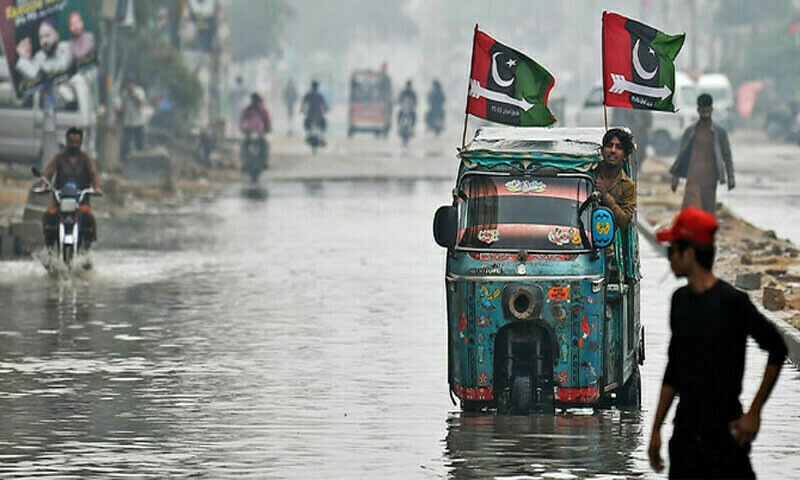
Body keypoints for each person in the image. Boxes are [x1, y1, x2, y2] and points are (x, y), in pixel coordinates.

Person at [648, 207, 787, 479]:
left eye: (672, 251)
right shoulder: (680, 302)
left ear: (689, 254)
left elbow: (777, 348)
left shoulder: (733, 303)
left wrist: (754, 413)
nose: (670, 259)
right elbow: (673, 369)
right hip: (685, 436)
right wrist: (655, 429)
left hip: (726, 434)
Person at [669, 94, 735, 217]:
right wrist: (675, 180)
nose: (706, 114)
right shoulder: (690, 132)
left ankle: (705, 235)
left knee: (708, 213)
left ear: (712, 110)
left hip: (710, 179)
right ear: (698, 111)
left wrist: (731, 178)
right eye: (703, 111)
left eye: (708, 111)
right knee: (692, 209)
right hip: (693, 177)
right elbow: (681, 156)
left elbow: (727, 156)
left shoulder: (719, 132)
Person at [40, 128, 103, 248]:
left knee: (89, 218)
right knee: (48, 216)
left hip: (81, 202)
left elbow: (94, 174)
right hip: (60, 202)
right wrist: (43, 184)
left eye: (76, 142)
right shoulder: (59, 157)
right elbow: (48, 172)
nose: (74, 145)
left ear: (80, 143)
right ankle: (49, 249)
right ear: (67, 141)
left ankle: (87, 250)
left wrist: (97, 187)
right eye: (71, 142)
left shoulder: (85, 158)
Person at [596, 128, 637, 229]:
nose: (613, 150)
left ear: (625, 156)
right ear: (602, 150)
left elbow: (624, 221)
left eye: (618, 147)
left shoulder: (628, 186)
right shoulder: (590, 173)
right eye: (609, 146)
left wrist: (605, 196)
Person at [120, 81, 147, 161]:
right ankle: (124, 161)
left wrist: (133, 94)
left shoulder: (139, 91)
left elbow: (141, 103)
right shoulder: (124, 93)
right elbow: (123, 107)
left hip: (138, 121)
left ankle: (141, 161)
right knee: (126, 143)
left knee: (139, 144)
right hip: (128, 122)